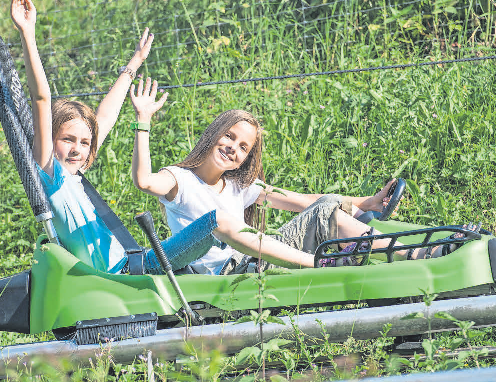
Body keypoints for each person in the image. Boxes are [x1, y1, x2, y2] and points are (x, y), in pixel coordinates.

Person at [129, 79, 467, 274]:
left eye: (243, 147)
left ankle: (404, 247)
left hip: (256, 255)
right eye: (230, 137)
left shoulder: (239, 185)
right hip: (233, 270)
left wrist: (365, 201)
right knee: (326, 213)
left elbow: (301, 202)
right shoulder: (178, 180)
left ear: (245, 159)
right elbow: (144, 181)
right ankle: (405, 255)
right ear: (214, 133)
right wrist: (143, 119)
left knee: (325, 208)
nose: (233, 148)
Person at [10, 0, 217, 275]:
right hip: (131, 272)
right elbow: (42, 99)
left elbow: (105, 116)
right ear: (51, 139)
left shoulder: (75, 174)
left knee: (219, 226)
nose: (77, 149)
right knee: (218, 223)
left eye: (84, 143)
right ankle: (276, 258)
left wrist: (135, 62)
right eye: (67, 139)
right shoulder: (52, 177)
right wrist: (28, 34)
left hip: (139, 261)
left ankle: (256, 258)